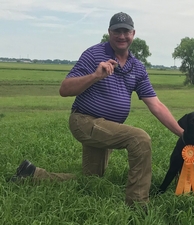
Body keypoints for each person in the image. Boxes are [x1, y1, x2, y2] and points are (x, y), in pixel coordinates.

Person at [11, 12, 184, 207]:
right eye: (117, 31)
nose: (121, 36)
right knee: (139, 138)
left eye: (126, 31)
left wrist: (183, 134)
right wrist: (95, 76)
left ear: (133, 33)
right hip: (84, 121)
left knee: (91, 179)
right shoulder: (94, 55)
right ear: (109, 32)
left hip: (107, 127)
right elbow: (64, 89)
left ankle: (31, 174)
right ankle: (138, 204)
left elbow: (156, 105)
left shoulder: (137, 67)